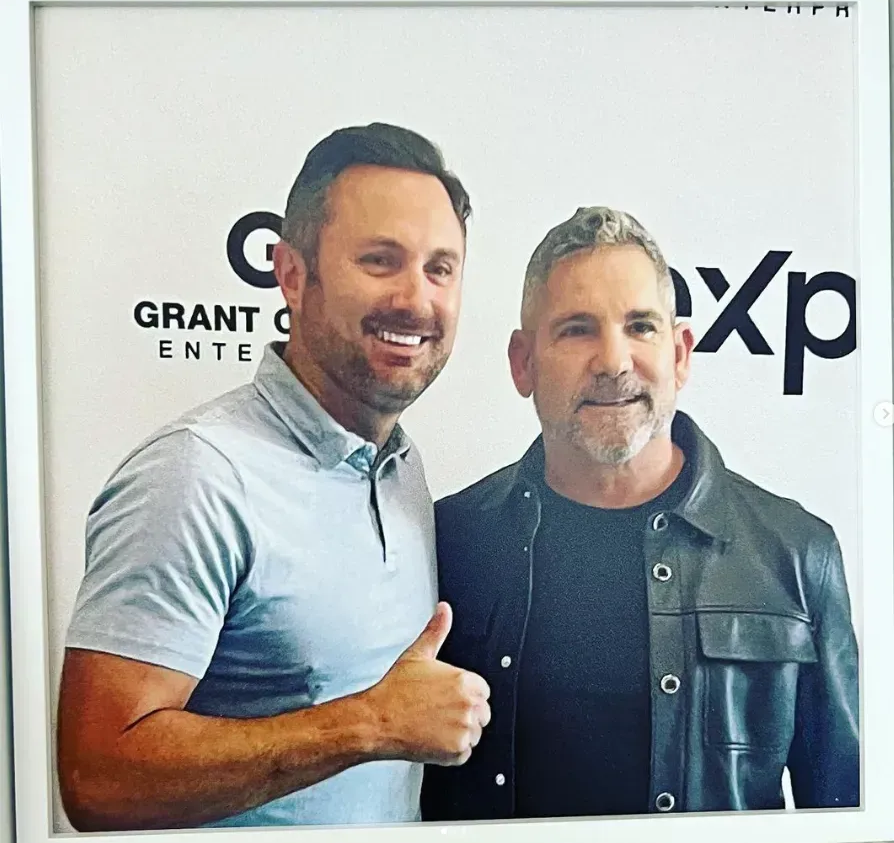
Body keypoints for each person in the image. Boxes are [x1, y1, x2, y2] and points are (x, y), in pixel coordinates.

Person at [56, 122, 492, 832]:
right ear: (291, 274)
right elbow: (96, 778)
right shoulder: (197, 474)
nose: (417, 298)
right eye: (380, 260)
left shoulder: (401, 466)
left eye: (440, 268)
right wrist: (370, 722)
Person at [420, 206, 860, 821]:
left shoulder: (797, 553)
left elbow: (846, 808)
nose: (613, 361)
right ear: (523, 363)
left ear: (680, 354)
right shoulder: (449, 542)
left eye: (640, 326)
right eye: (577, 329)